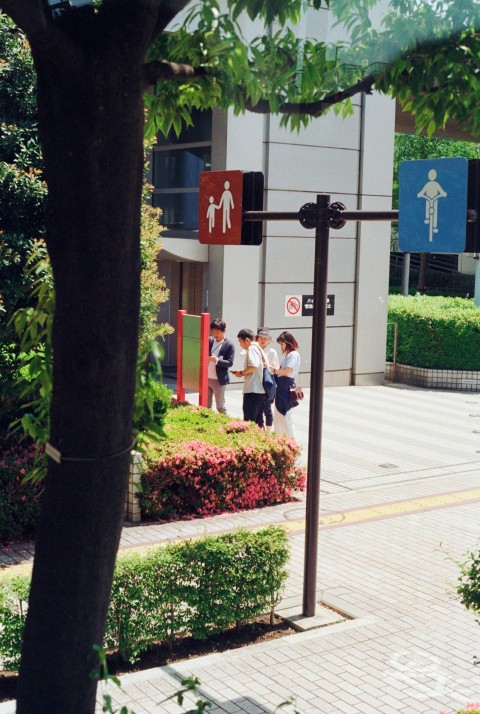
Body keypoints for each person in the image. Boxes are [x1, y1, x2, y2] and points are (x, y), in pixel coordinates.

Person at [232, 328, 267, 424]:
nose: (240, 344)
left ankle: (252, 439)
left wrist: (241, 373)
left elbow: (253, 366)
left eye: (240, 341)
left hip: (253, 390)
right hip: (261, 391)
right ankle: (262, 439)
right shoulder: (259, 348)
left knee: (249, 421)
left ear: (247, 340)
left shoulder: (251, 348)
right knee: (259, 421)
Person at [273, 331, 301, 440]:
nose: (281, 346)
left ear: (288, 343)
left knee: (286, 416)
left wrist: (274, 370)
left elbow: (287, 372)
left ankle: (291, 443)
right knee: (280, 416)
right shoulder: (288, 355)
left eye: (282, 344)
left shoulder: (293, 355)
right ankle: (282, 441)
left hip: (286, 387)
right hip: (282, 387)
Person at [208, 318, 235, 414]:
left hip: (219, 380)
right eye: (213, 332)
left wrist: (217, 360)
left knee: (220, 406)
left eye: (217, 332)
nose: (215, 335)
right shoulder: (210, 341)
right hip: (206, 378)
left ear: (224, 331)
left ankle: (224, 425)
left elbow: (230, 362)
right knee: (206, 406)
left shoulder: (229, 345)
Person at [255, 328, 279, 433]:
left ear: (269, 340)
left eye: (266, 338)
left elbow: (275, 368)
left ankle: (268, 434)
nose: (263, 340)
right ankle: (260, 431)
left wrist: (265, 365)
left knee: (267, 410)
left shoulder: (271, 352)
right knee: (258, 410)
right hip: (257, 384)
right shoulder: (254, 349)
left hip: (267, 384)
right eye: (261, 338)